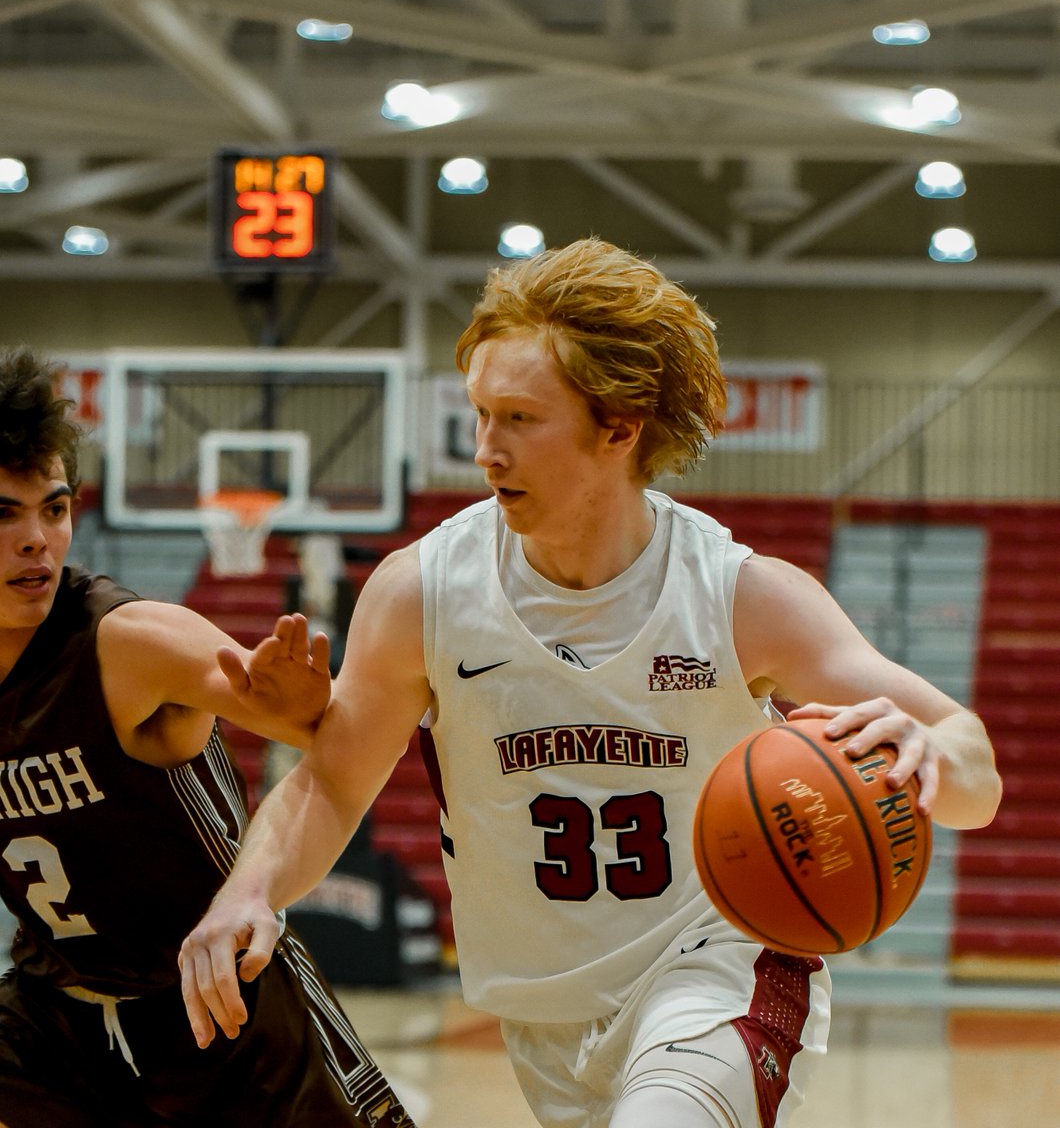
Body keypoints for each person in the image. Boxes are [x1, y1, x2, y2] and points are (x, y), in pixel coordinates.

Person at [180, 238, 1002, 1128]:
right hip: (542, 1007)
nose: (484, 450)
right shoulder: (424, 591)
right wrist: (249, 889)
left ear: (618, 425)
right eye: (479, 415)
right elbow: (333, 781)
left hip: (720, 972)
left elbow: (975, 777)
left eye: (519, 420)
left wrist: (929, 759)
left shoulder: (740, 595)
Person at [0, 346, 414, 1128]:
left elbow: (301, 722)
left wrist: (292, 703)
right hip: (53, 1017)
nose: (37, 540)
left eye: (53, 509)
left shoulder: (129, 642)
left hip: (215, 999)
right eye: (5, 515)